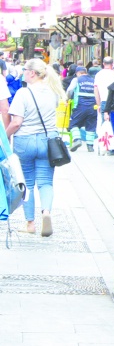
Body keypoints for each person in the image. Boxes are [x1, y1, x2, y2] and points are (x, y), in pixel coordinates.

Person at [5, 58, 67, 236]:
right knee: (46, 182)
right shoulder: (53, 92)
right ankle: (46, 213)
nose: (23, 72)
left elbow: (16, 122)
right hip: (48, 142)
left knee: (28, 184)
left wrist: (6, 136)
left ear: (32, 73)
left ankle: (30, 224)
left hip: (25, 141)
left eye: (25, 70)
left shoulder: (23, 93)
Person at [66, 65, 97, 152]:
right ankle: (90, 146)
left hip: (80, 106)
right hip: (92, 106)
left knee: (73, 124)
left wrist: (67, 98)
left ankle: (77, 139)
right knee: (91, 126)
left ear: (78, 73)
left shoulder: (76, 79)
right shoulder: (93, 80)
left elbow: (70, 90)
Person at [93, 57, 114, 121]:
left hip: (103, 101)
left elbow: (96, 90)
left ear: (103, 63)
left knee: (104, 125)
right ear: (112, 64)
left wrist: (98, 104)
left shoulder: (98, 75)